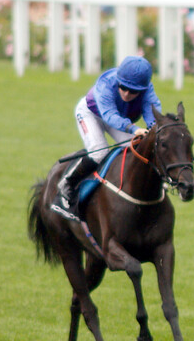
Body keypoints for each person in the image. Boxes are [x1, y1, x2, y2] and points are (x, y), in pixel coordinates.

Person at [52, 55, 162, 220]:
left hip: (118, 118)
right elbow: (109, 115)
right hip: (92, 113)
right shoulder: (106, 83)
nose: (126, 94)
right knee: (98, 152)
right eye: (123, 87)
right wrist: (134, 129)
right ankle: (66, 184)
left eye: (133, 91)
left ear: (143, 89)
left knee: (136, 149)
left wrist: (154, 128)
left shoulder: (148, 90)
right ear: (118, 81)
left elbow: (152, 112)